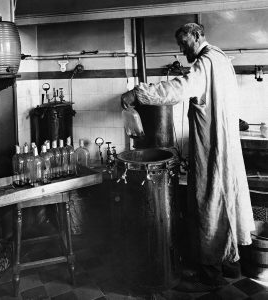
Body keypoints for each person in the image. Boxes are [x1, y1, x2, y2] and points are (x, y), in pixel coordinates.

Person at [121, 23, 255, 290]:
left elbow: (178, 89)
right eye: (180, 46)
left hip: (213, 147)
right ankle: (230, 263)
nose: (182, 50)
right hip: (226, 144)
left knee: (210, 201)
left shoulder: (205, 63)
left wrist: (138, 93)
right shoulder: (221, 59)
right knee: (226, 199)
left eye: (185, 43)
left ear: (198, 36)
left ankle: (211, 274)